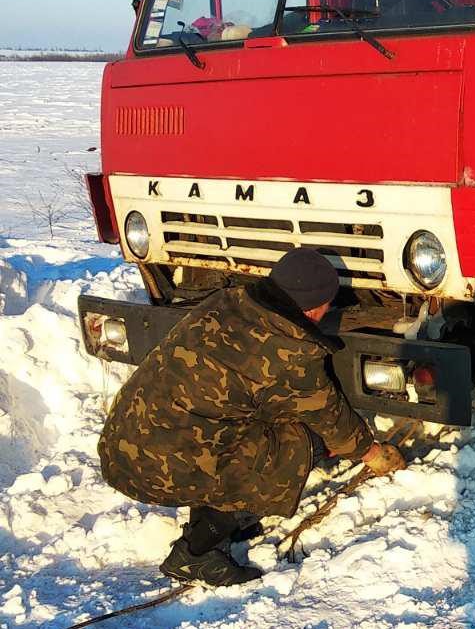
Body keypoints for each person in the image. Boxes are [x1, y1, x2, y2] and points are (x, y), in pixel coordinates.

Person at [98, 248, 403, 586]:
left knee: (229, 435)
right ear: (316, 307)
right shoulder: (291, 349)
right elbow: (333, 423)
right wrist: (375, 455)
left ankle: (226, 516)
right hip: (156, 468)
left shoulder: (229, 301)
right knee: (304, 441)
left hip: (123, 444)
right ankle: (195, 554)